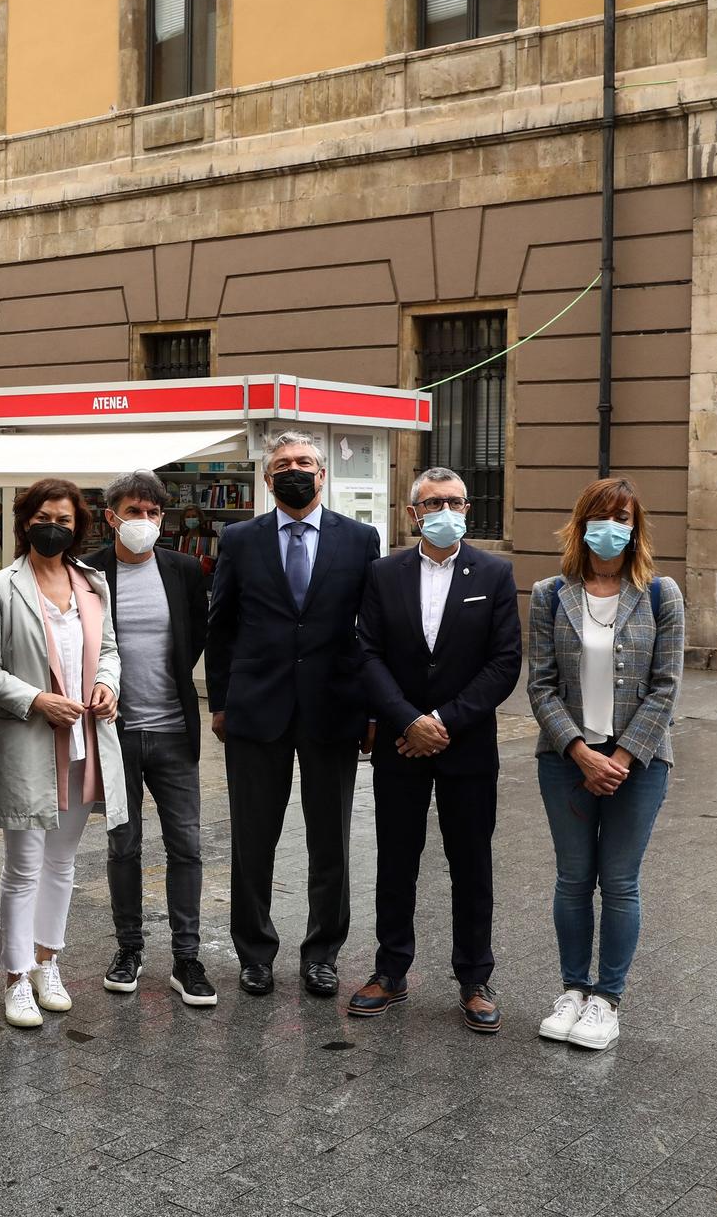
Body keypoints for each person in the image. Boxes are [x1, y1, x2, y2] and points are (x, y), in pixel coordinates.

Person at [206, 431, 380, 999]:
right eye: (282, 464)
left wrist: (373, 708)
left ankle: (322, 953)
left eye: (304, 462)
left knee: (331, 839)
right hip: (257, 711)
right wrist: (223, 702)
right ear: (266, 478)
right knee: (253, 839)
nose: (294, 470)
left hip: (335, 708)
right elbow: (222, 626)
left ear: (322, 474)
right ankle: (255, 954)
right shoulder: (239, 539)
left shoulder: (360, 539)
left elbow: (369, 632)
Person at [349, 466, 521, 1032]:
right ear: (412, 513)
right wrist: (406, 719)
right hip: (402, 743)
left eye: (455, 502)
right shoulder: (384, 572)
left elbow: (503, 664)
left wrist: (442, 721)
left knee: (470, 863)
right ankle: (391, 969)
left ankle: (475, 978)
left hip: (465, 745)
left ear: (467, 510)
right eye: (433, 503)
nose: (445, 512)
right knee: (396, 860)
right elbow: (367, 653)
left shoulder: (494, 573)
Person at [527, 476, 683, 1052]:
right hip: (566, 759)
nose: (612, 527)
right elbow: (540, 685)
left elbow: (666, 688)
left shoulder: (661, 594)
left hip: (637, 763)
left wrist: (617, 757)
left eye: (623, 517)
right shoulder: (550, 593)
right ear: (581, 524)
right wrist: (579, 751)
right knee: (572, 879)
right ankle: (572, 989)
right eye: (602, 515)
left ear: (635, 527)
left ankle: (606, 999)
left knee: (618, 882)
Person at [0, 479, 126, 1029]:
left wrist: (108, 685)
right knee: (23, 868)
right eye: (44, 517)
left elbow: (108, 650)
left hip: (85, 741)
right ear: (25, 521)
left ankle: (47, 961)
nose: (54, 526)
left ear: (78, 527)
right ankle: (15, 977)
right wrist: (36, 699)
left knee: (61, 864)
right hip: (29, 740)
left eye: (64, 519)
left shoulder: (92, 583)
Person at [96, 470, 214, 1006]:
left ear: (163, 520)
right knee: (124, 846)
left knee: (186, 846)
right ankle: (129, 948)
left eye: (152, 512)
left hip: (173, 732)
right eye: (133, 511)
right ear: (111, 517)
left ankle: (187, 957)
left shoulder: (184, 569)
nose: (143, 521)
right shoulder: (91, 570)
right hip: (115, 734)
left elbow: (193, 638)